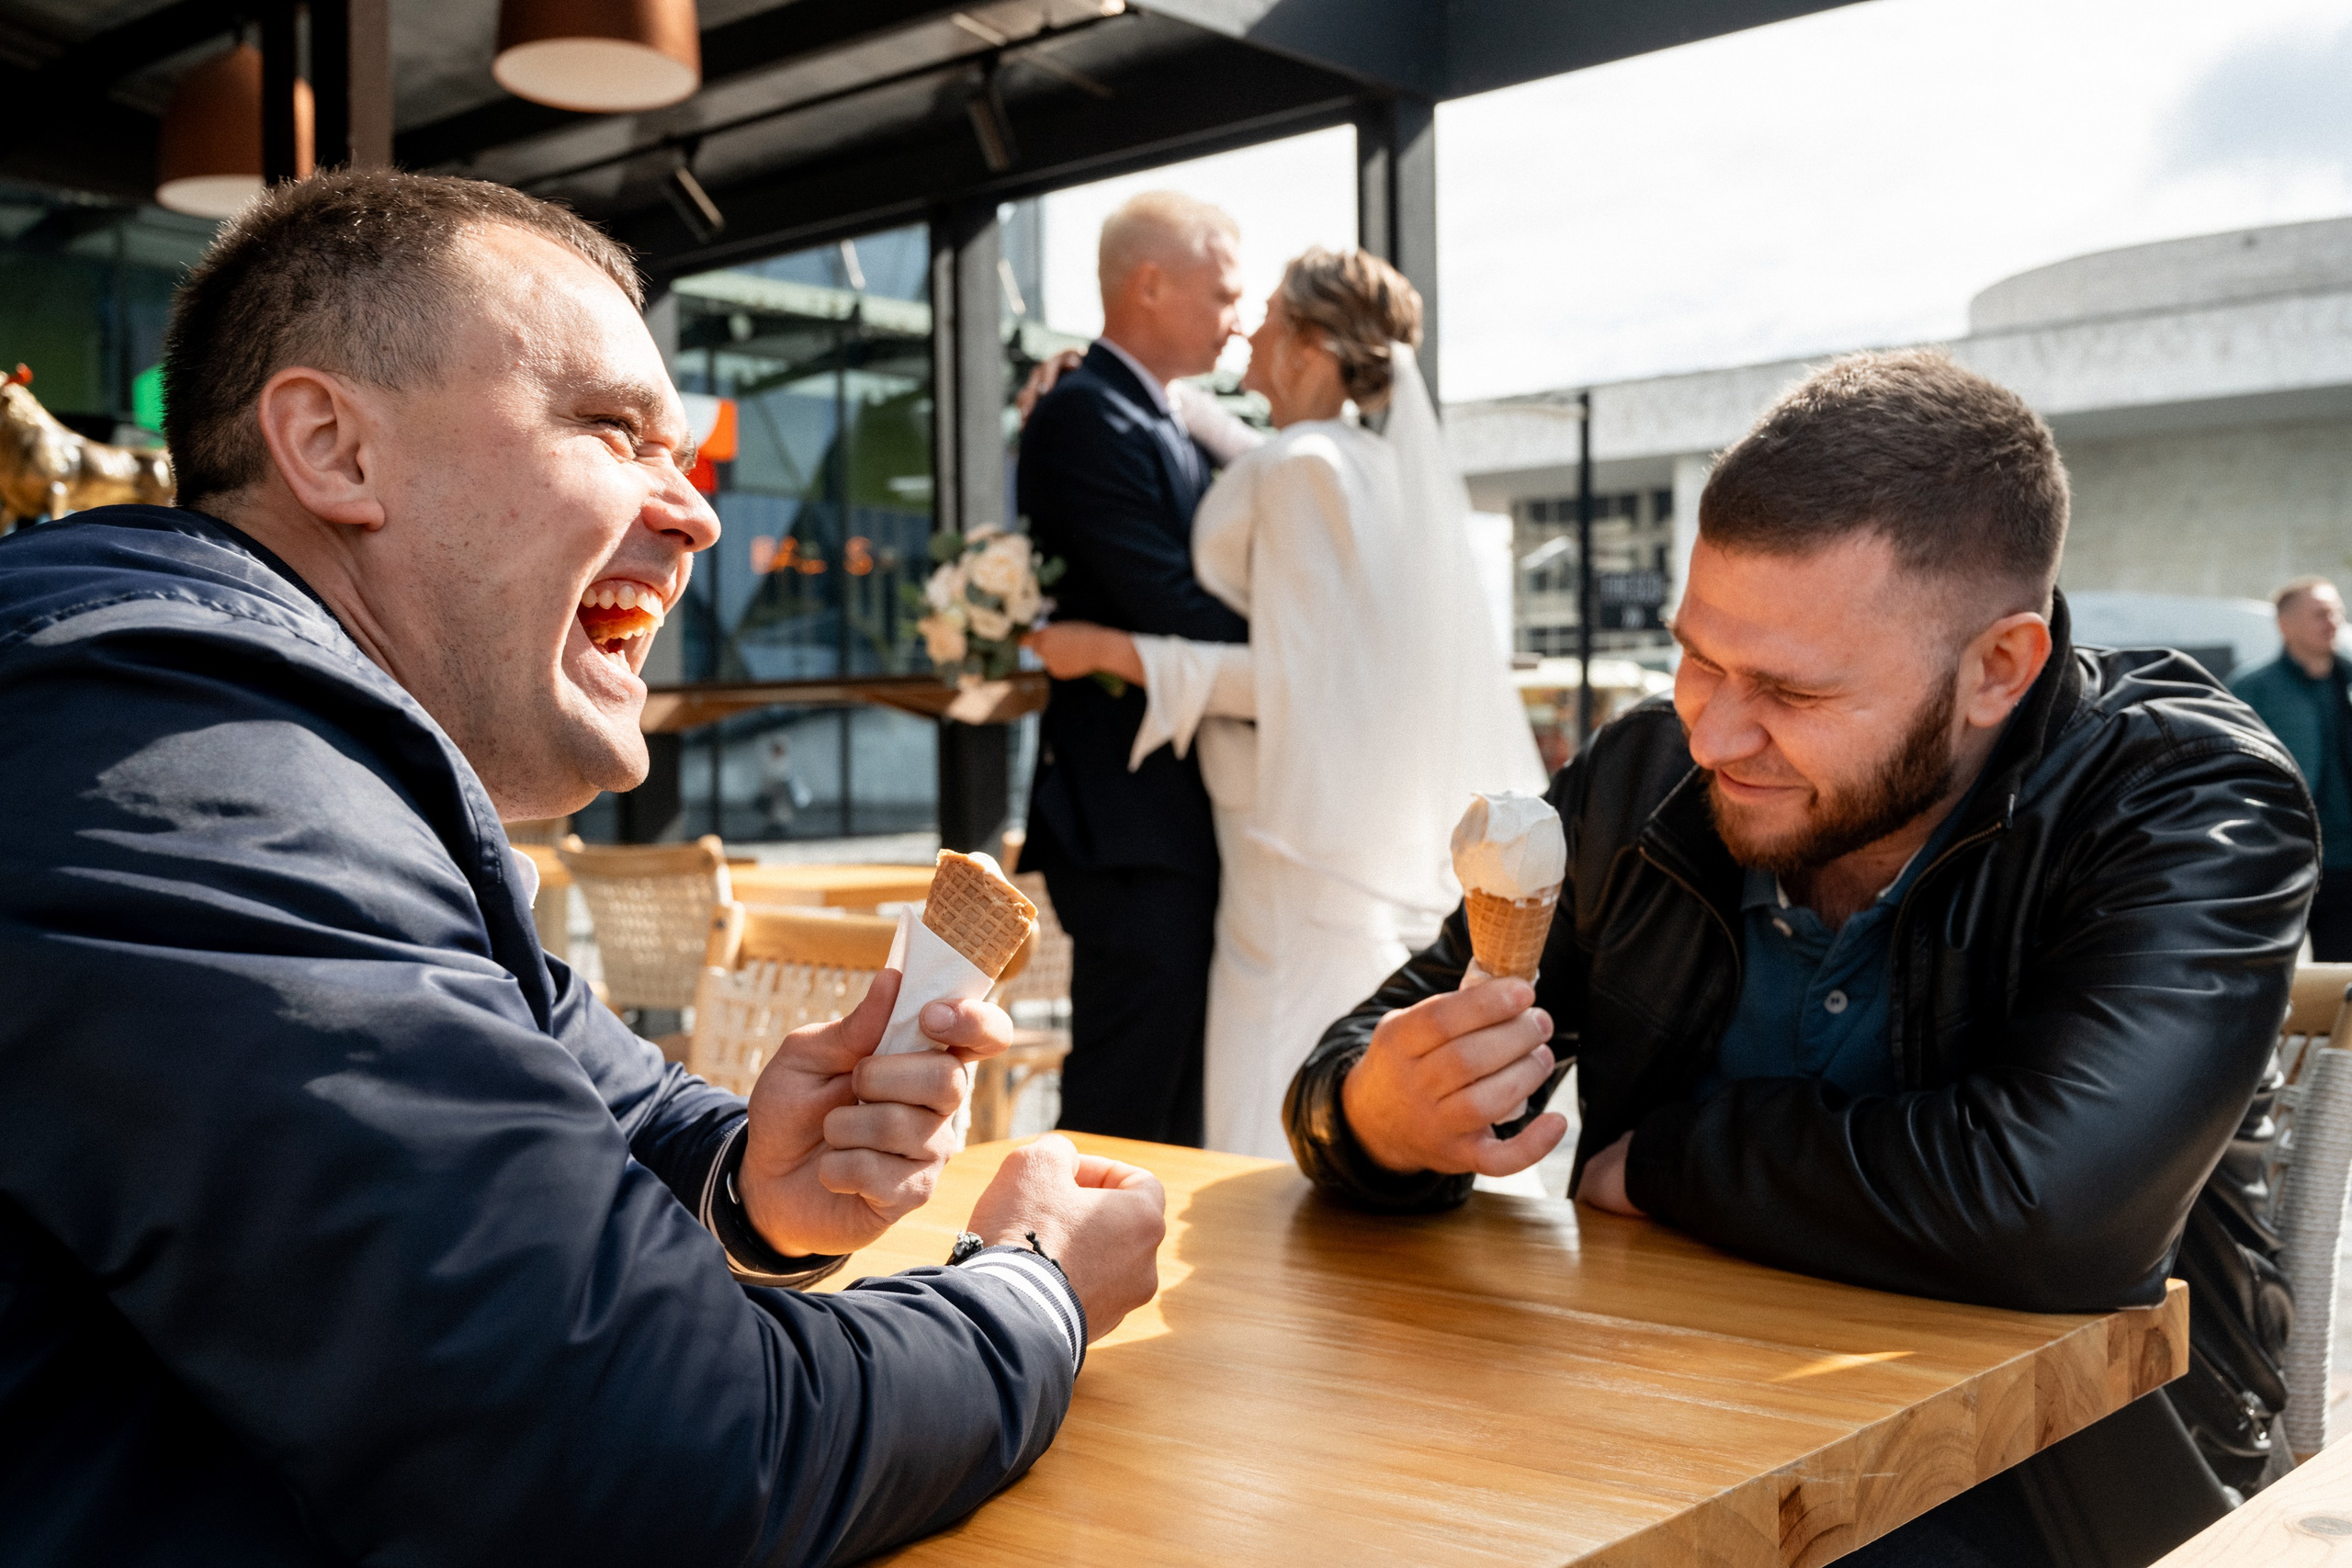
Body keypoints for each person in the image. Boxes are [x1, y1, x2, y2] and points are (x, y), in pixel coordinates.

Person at [0, 168, 1166, 1567]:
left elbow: (580, 1061)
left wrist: (756, 1177)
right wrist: (1033, 1291)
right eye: (615, 430)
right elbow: (660, 1455)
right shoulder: (178, 751)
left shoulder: (294, 755)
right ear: (332, 446)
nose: (698, 516)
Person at [1284, 350, 2313, 1564]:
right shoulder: (1639, 780)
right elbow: (1349, 1065)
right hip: (1672, 1428)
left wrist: (1670, 1156)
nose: (1713, 731)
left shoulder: (2189, 801)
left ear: (2001, 667)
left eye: (1789, 689)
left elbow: (2049, 1210)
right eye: (1699, 656)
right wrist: (1382, 1115)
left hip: (2064, 1477)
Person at [1026, 248, 1544, 1159]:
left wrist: (1110, 651)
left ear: (1308, 342)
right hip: (1314, 827)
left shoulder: (1302, 468)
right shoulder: (1353, 461)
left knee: (1271, 1085)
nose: (1248, 328)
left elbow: (1295, 686)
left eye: (1265, 312)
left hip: (1285, 838)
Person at [1016, 191, 1250, 1146]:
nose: (1238, 318)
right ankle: (1049, 1272)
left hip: (1162, 811)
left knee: (1175, 1087)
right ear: (1149, 284)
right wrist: (1307, 648)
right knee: (1130, 1088)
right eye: (1224, 293)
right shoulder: (1085, 416)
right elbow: (1169, 601)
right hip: (1126, 819)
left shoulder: (1160, 413)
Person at [2233, 578, 2352, 959]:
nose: (2332, 621)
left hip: (2348, 863)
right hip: (2286, 858)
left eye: (2336, 611)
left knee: (2344, 981)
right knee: (2272, 980)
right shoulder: (2252, 690)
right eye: (2320, 613)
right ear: (2285, 624)